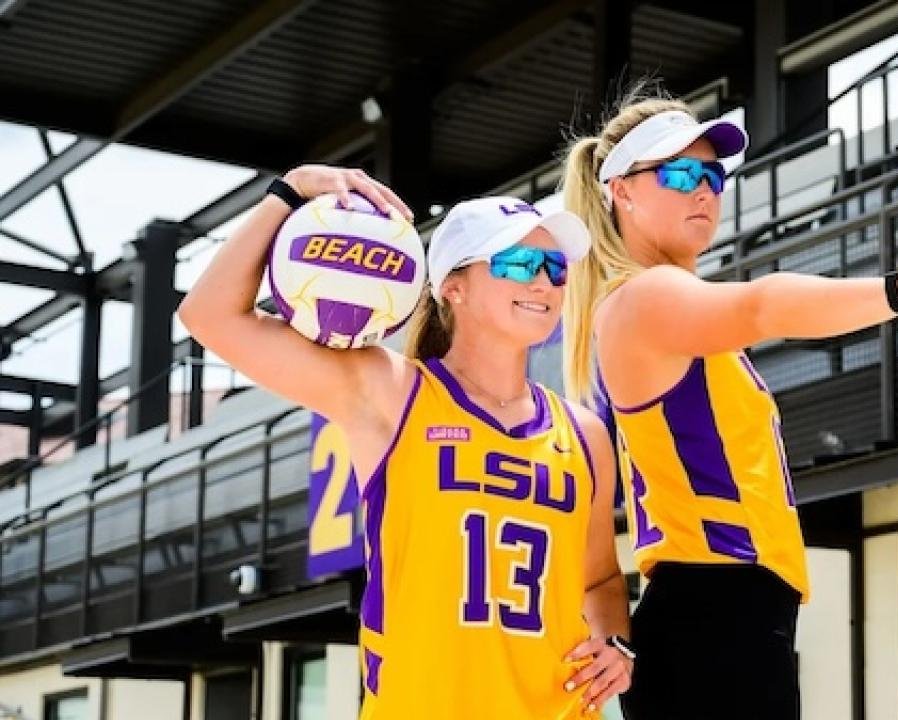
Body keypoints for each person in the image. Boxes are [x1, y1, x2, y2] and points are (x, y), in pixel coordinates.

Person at [560, 92, 898, 719]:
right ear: (622, 190)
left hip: (728, 617)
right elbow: (763, 305)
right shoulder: (642, 299)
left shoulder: (660, 306)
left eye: (713, 174)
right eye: (679, 173)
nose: (704, 189)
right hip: (712, 615)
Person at [179, 166, 634, 719]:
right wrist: (290, 191)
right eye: (516, 263)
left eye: (554, 267)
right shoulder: (391, 392)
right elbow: (209, 315)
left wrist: (615, 643)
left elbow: (603, 576)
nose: (542, 282)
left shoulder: (584, 433)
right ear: (453, 287)